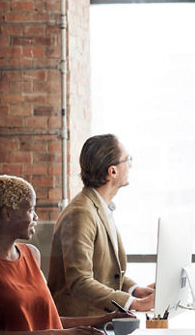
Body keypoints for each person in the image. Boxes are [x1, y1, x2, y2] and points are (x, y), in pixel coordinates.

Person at [0, 175, 115, 335]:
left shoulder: (31, 254)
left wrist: (104, 320)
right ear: (7, 213)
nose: (36, 217)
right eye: (30, 209)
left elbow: (49, 320)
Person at [48, 134, 155, 316]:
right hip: (82, 325)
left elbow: (104, 272)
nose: (130, 165)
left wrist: (134, 290)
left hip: (100, 321)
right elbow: (80, 282)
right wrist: (134, 304)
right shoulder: (81, 212)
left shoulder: (100, 208)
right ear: (112, 171)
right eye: (127, 160)